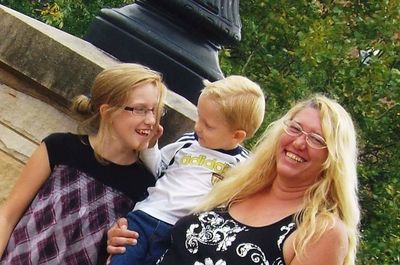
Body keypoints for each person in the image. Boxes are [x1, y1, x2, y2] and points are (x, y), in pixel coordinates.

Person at [107, 95, 360, 265]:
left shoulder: (321, 231)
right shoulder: (238, 184)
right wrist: (125, 238)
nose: (299, 142)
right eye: (294, 128)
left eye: (316, 139)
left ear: (332, 159)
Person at [0, 63, 167, 264]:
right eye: (140, 109)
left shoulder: (145, 186)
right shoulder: (59, 148)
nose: (151, 120)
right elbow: (8, 216)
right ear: (107, 111)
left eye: (155, 111)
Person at [108, 76, 266, 265]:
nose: (197, 126)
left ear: (237, 135)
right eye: (199, 117)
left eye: (208, 125)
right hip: (145, 217)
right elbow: (158, 168)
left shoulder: (242, 166)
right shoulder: (188, 143)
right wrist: (150, 146)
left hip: (179, 233)